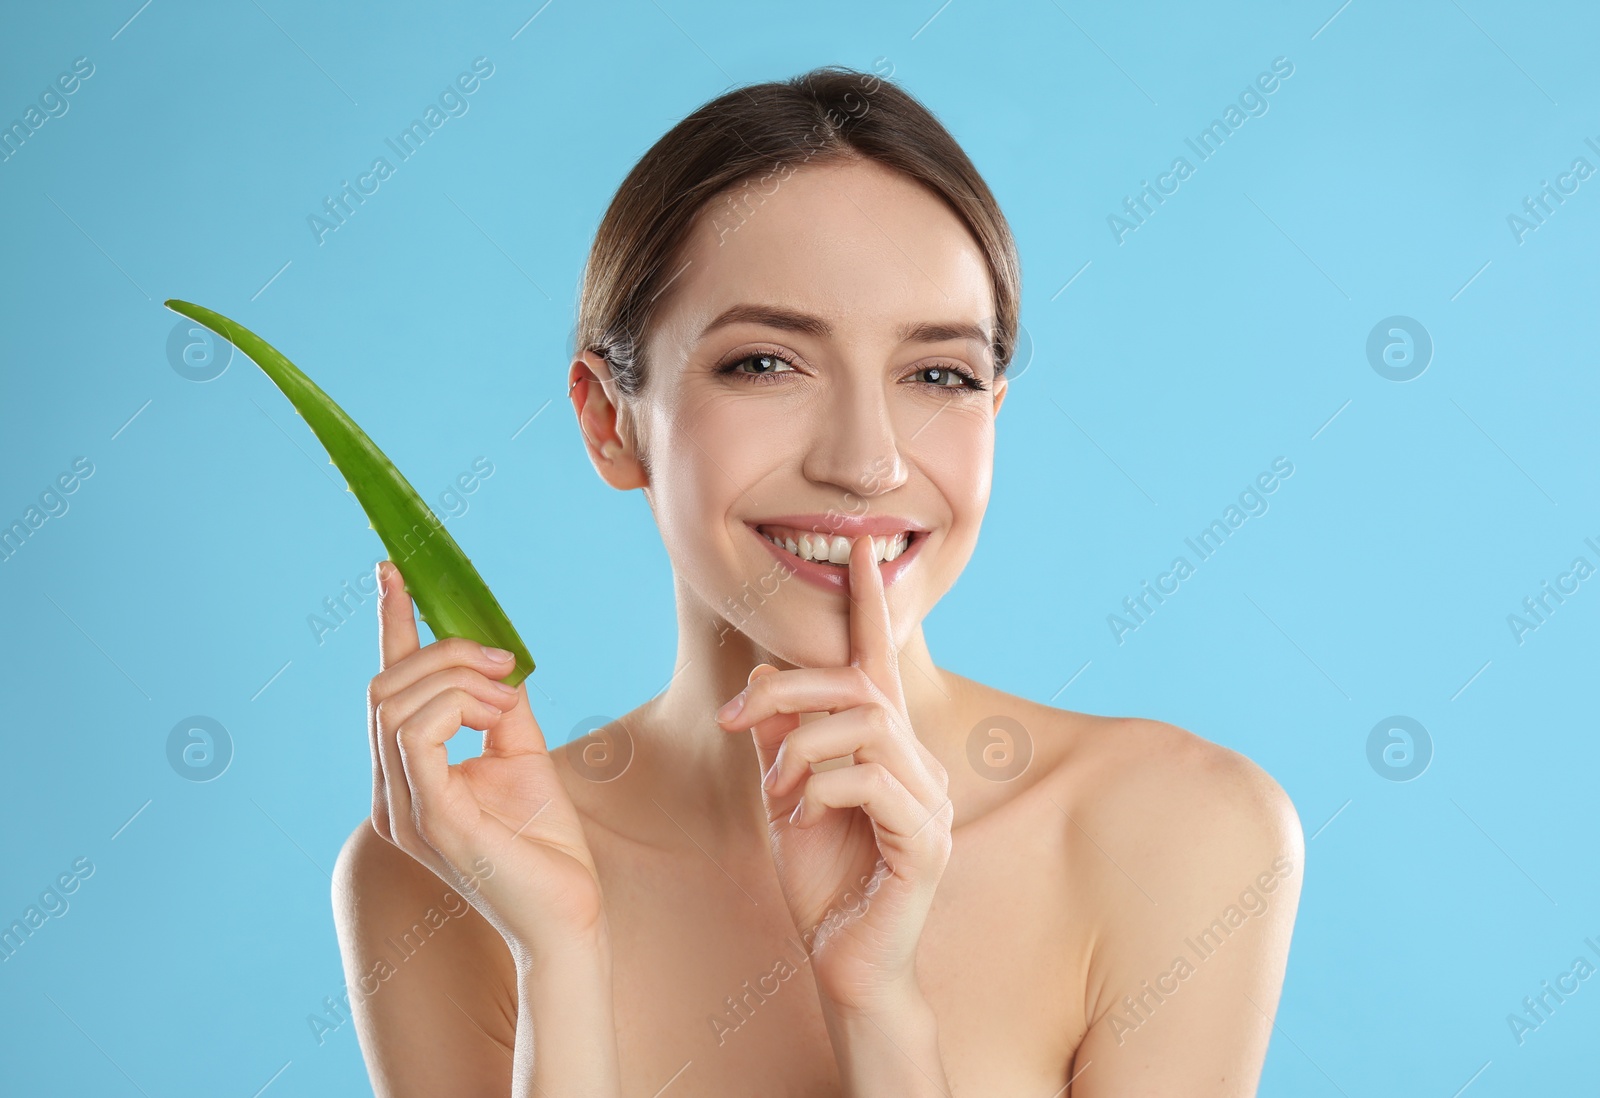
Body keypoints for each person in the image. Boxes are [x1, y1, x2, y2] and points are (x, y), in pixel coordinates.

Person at [333, 64, 1303, 1096]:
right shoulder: (445, 861)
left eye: (938, 375)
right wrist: (559, 958)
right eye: (764, 363)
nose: (867, 461)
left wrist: (874, 1005)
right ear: (609, 419)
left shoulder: (1177, 832)